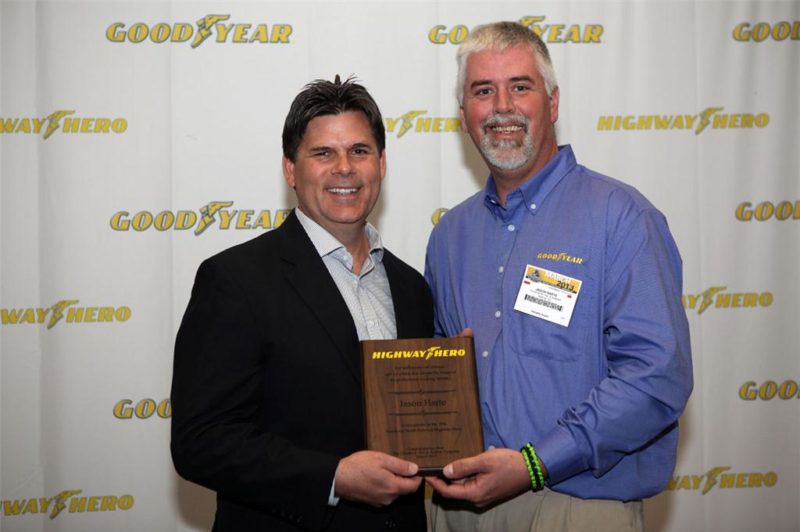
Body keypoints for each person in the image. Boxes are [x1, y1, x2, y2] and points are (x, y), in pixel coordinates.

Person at [424, 21, 693, 531]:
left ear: (552, 103)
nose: (502, 106)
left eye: (520, 87)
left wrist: (535, 463)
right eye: (483, 91)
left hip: (574, 506)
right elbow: (439, 367)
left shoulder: (620, 217)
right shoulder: (450, 236)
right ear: (463, 115)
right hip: (460, 508)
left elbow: (657, 377)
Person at [171, 76, 432, 531]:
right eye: (323, 153)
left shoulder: (412, 287)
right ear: (291, 170)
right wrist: (332, 477)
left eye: (359, 150)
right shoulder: (235, 280)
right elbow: (201, 441)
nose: (344, 168)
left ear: (382, 164)